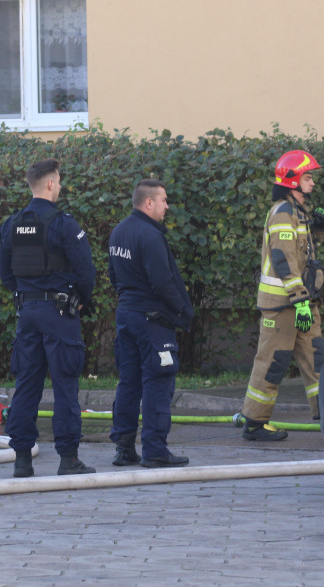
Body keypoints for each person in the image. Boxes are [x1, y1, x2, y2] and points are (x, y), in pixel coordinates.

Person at [0, 158, 97, 477]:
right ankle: (68, 459)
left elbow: (5, 274)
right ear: (51, 184)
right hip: (58, 312)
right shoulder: (64, 224)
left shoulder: (12, 224)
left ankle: (22, 460)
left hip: (27, 312)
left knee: (27, 383)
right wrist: (79, 301)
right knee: (65, 384)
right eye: (60, 181)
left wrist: (26, 296)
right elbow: (86, 273)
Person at [240, 150, 324, 441]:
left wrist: (318, 230)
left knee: (318, 361)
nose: (312, 182)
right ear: (293, 180)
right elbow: (283, 259)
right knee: (272, 362)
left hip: (302, 304)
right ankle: (254, 423)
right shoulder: (282, 212)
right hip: (283, 306)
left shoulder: (297, 212)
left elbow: (303, 251)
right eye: (307, 177)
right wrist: (300, 299)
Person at [107, 179, 194, 468]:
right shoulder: (150, 236)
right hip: (152, 321)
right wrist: (181, 311)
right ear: (148, 203)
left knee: (128, 383)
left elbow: (114, 276)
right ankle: (155, 450)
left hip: (126, 316)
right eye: (164, 200)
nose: (167, 206)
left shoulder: (119, 232)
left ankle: (124, 447)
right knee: (158, 381)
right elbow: (163, 281)